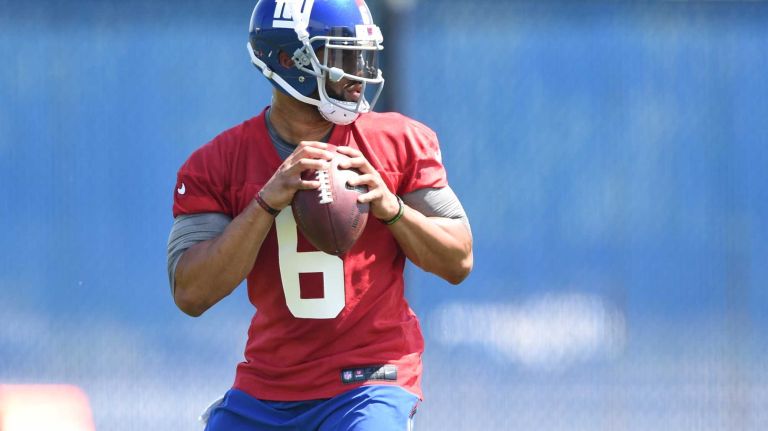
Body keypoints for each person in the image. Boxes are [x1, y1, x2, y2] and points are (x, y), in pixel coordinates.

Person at [166, 0, 473, 429]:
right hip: (267, 389)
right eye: (343, 57)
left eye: (364, 56)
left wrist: (392, 209)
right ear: (290, 60)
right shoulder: (218, 164)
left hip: (369, 382)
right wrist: (265, 203)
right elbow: (190, 294)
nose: (359, 74)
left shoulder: (396, 144)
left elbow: (459, 259)